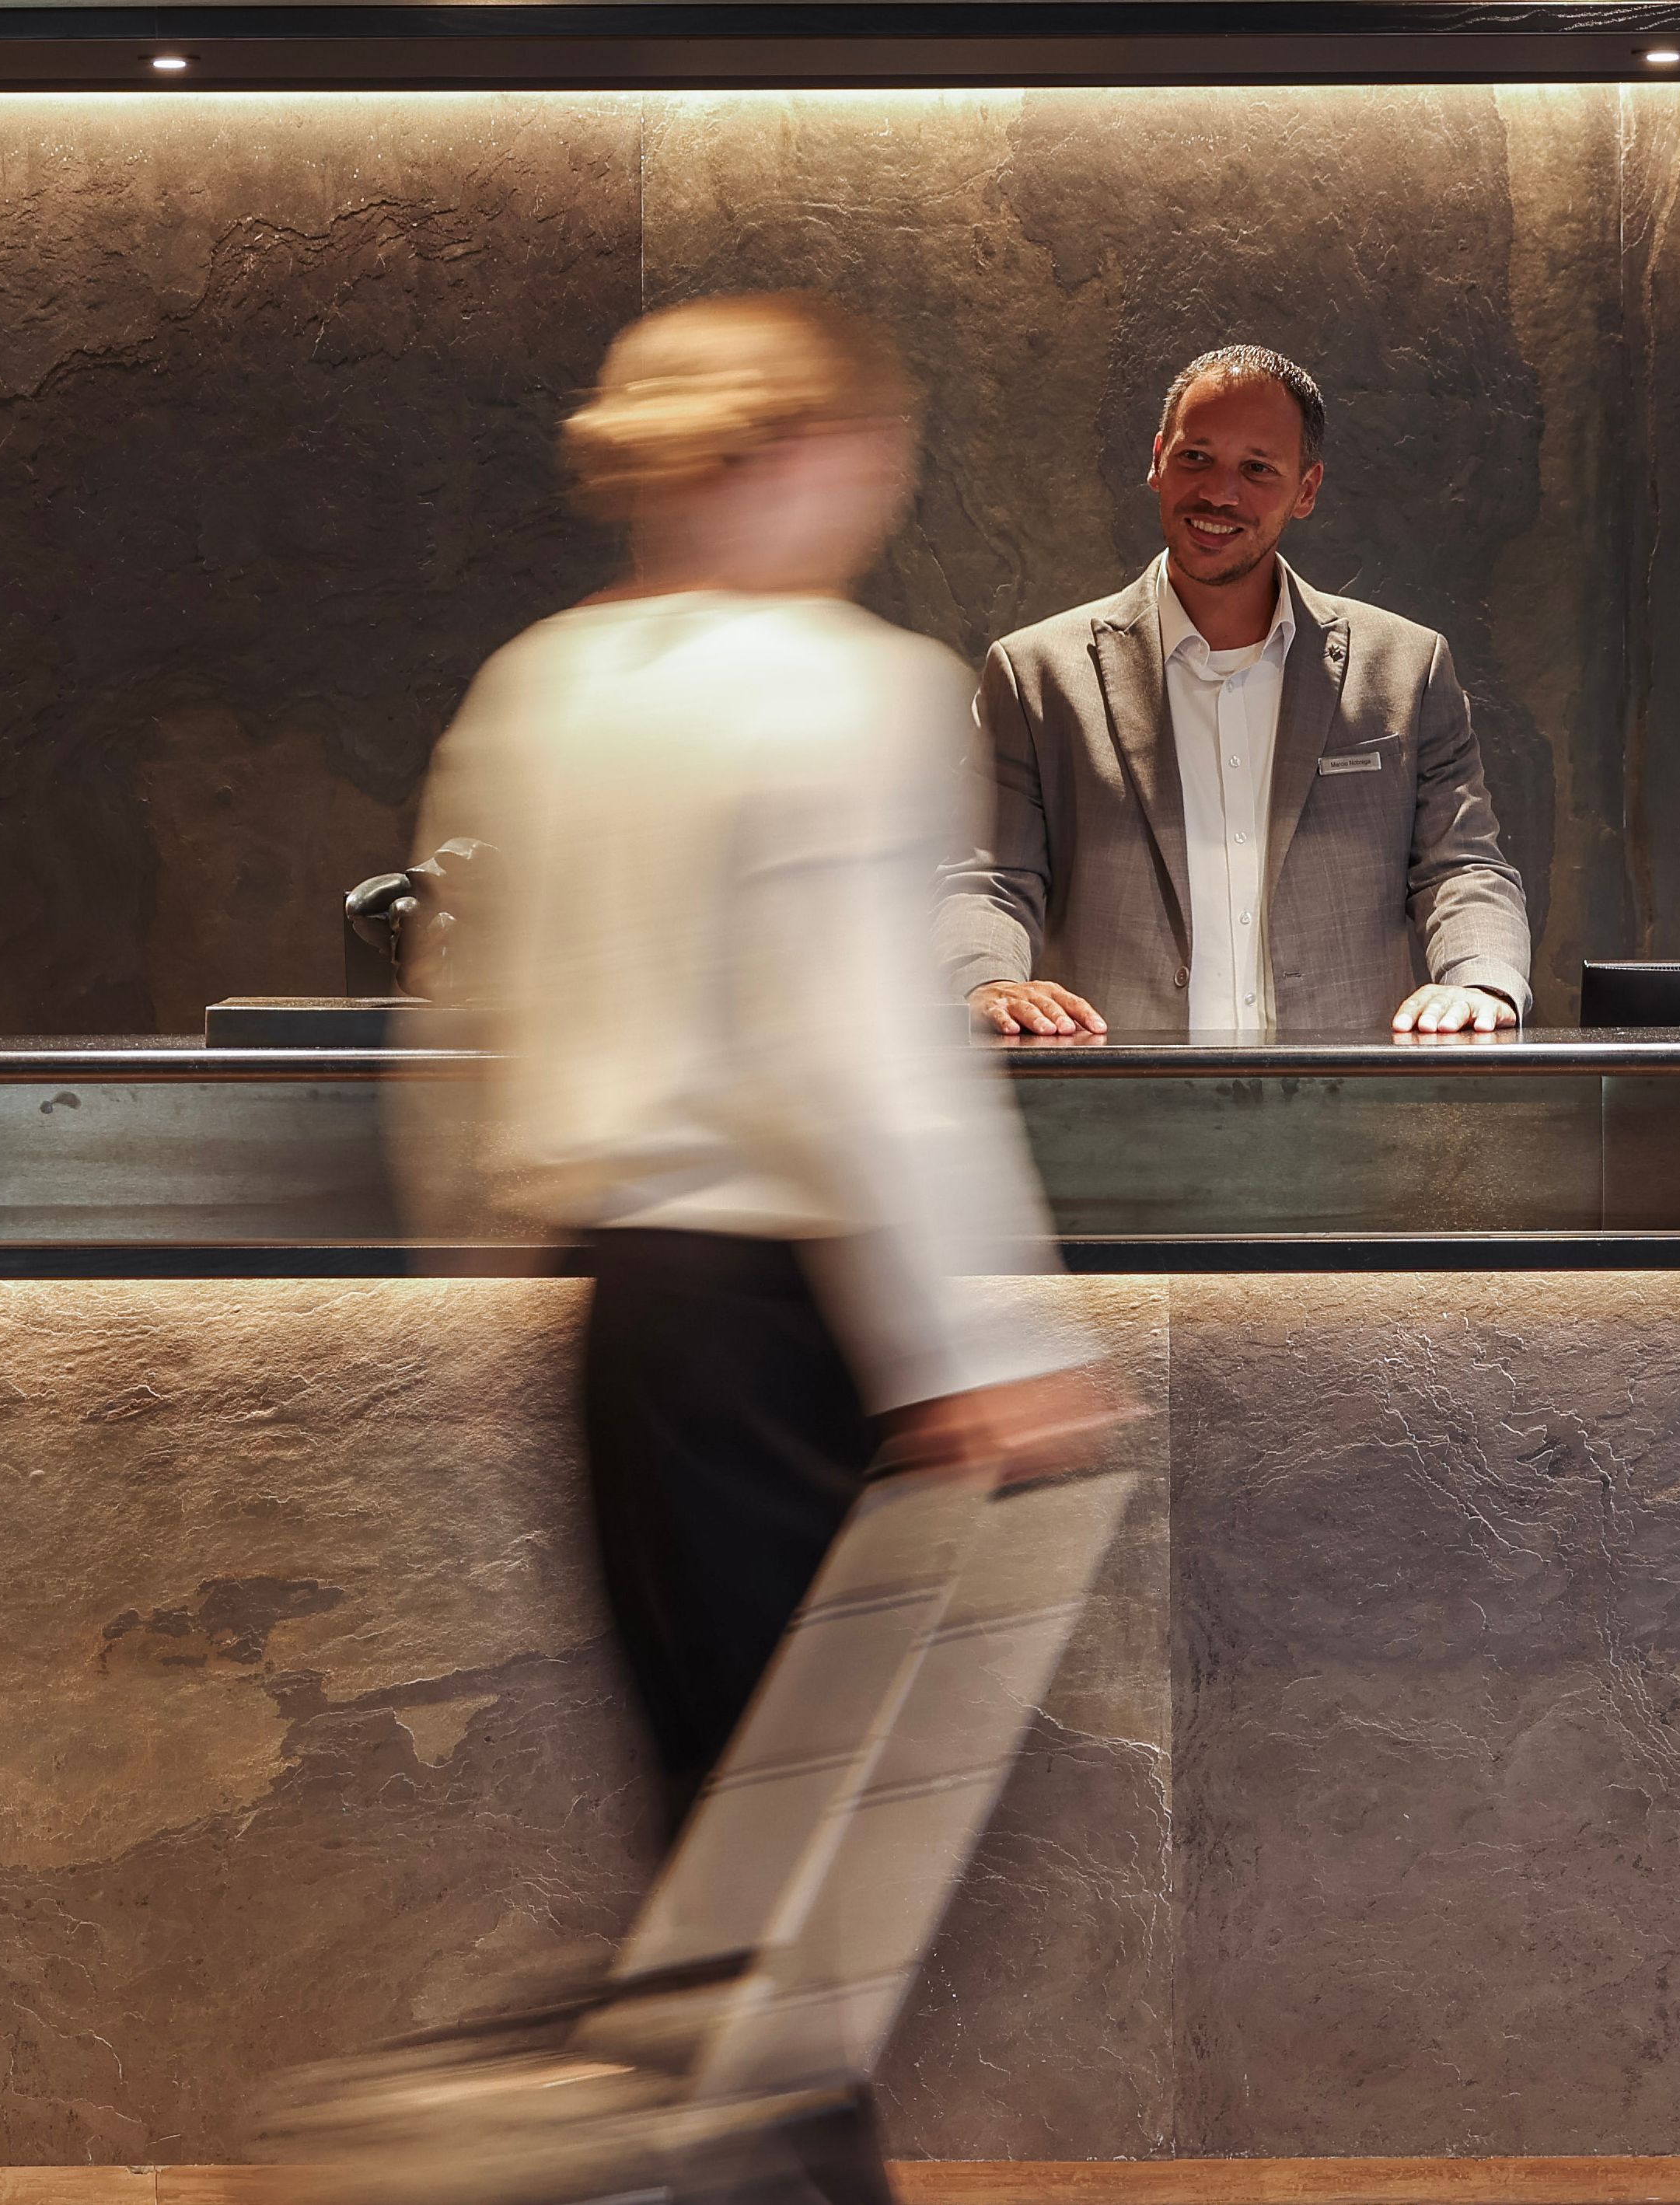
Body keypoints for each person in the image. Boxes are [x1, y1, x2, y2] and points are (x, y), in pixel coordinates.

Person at [404, 292, 1122, 1832]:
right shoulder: (846, 680)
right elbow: (856, 1038)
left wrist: (479, 1281)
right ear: (812, 452)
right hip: (780, 1315)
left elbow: (463, 1027)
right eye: (882, 460)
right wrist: (968, 1349)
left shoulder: (545, 681)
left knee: (715, 1811)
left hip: (625, 1328)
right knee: (796, 1864)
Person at [936, 344, 1534, 1042]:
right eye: (1196, 457)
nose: (1219, 493)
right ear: (1158, 459)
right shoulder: (1034, 673)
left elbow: (1461, 868)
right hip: (1119, 1115)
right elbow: (989, 880)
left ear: (1305, 490)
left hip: (1348, 1112)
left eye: (1257, 469)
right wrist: (985, 979)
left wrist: (1480, 981)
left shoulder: (1407, 668)